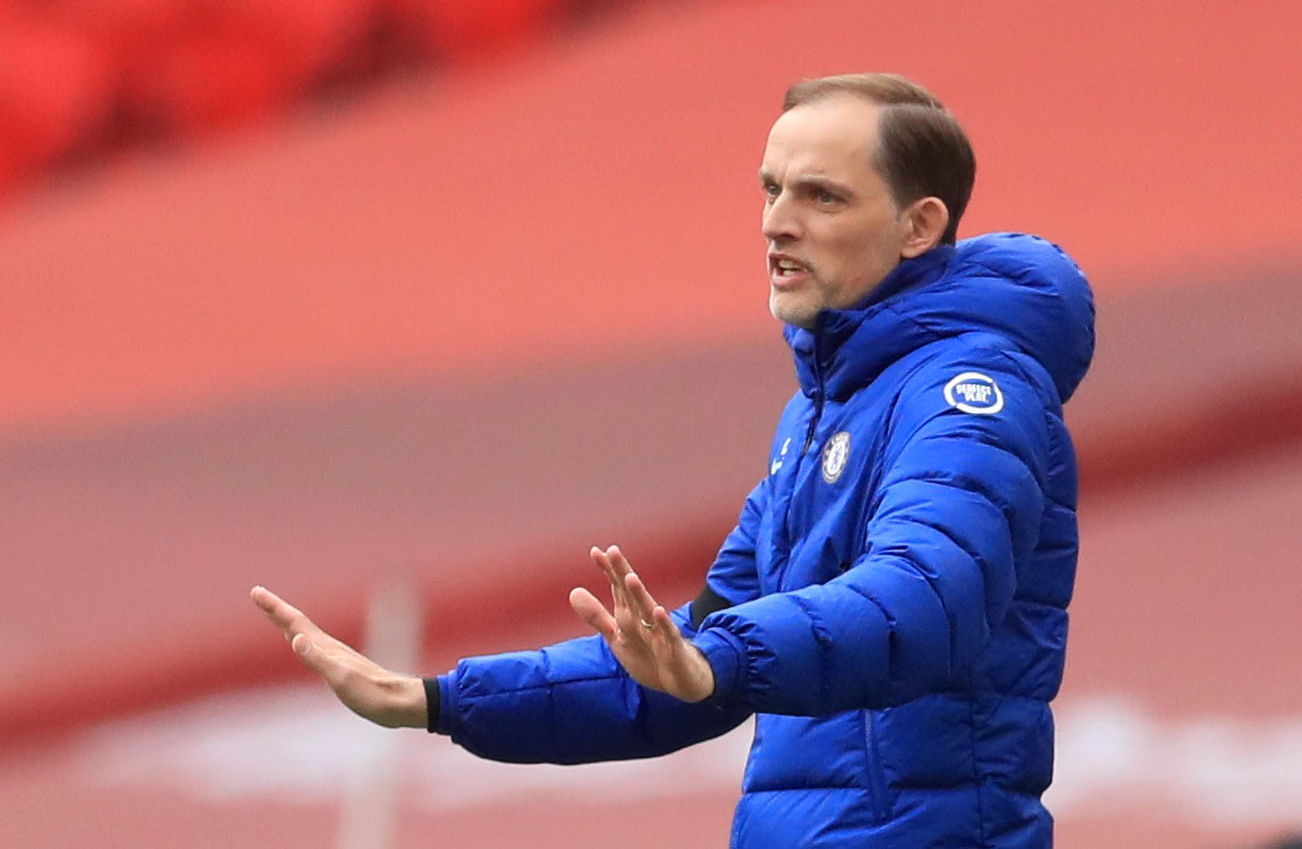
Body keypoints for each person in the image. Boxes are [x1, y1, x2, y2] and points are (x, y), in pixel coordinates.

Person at [253, 72, 1094, 847]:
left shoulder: (969, 392)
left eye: (822, 196)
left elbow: (924, 600)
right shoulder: (821, 411)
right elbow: (679, 656)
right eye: (771, 188)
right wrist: (433, 701)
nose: (775, 222)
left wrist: (715, 660)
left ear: (920, 226)